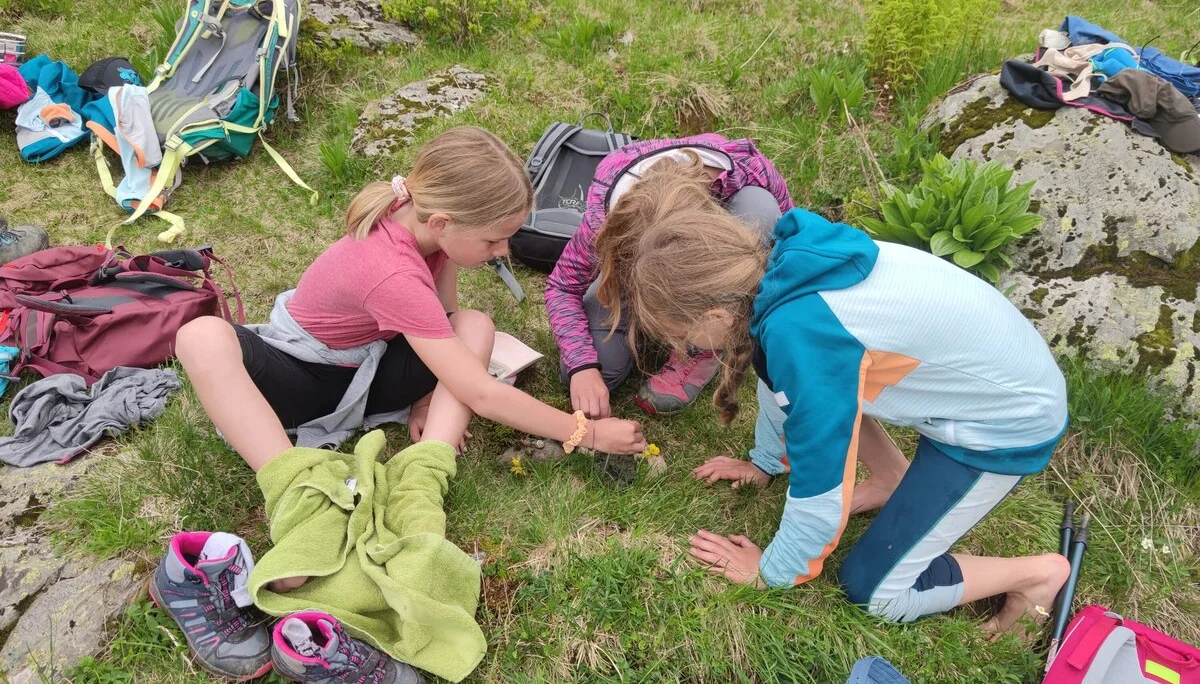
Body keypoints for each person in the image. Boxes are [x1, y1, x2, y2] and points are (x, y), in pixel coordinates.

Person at [597, 169, 1070, 631]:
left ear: (717, 314)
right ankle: (891, 482)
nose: (685, 350)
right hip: (990, 377)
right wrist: (765, 462)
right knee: (819, 390)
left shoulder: (805, 341)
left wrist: (771, 572)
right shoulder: (779, 263)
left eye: (685, 337)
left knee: (874, 592)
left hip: (1004, 429)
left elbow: (820, 491)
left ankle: (1035, 575)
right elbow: (776, 380)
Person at [175, 125, 647, 472]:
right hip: (301, 379)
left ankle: (425, 469)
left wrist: (425, 398)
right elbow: (480, 393)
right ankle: (290, 483)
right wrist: (587, 433)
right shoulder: (391, 270)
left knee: (475, 324)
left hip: (364, 367)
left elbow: (442, 319)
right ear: (442, 222)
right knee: (200, 336)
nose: (504, 252)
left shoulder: (423, 225)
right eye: (493, 241)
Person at [546, 133, 792, 418]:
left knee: (760, 209)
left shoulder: (751, 171)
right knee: (602, 369)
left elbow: (787, 252)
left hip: (713, 271)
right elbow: (562, 287)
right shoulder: (605, 221)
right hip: (637, 271)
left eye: (677, 332)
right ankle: (681, 324)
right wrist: (582, 366)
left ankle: (703, 346)